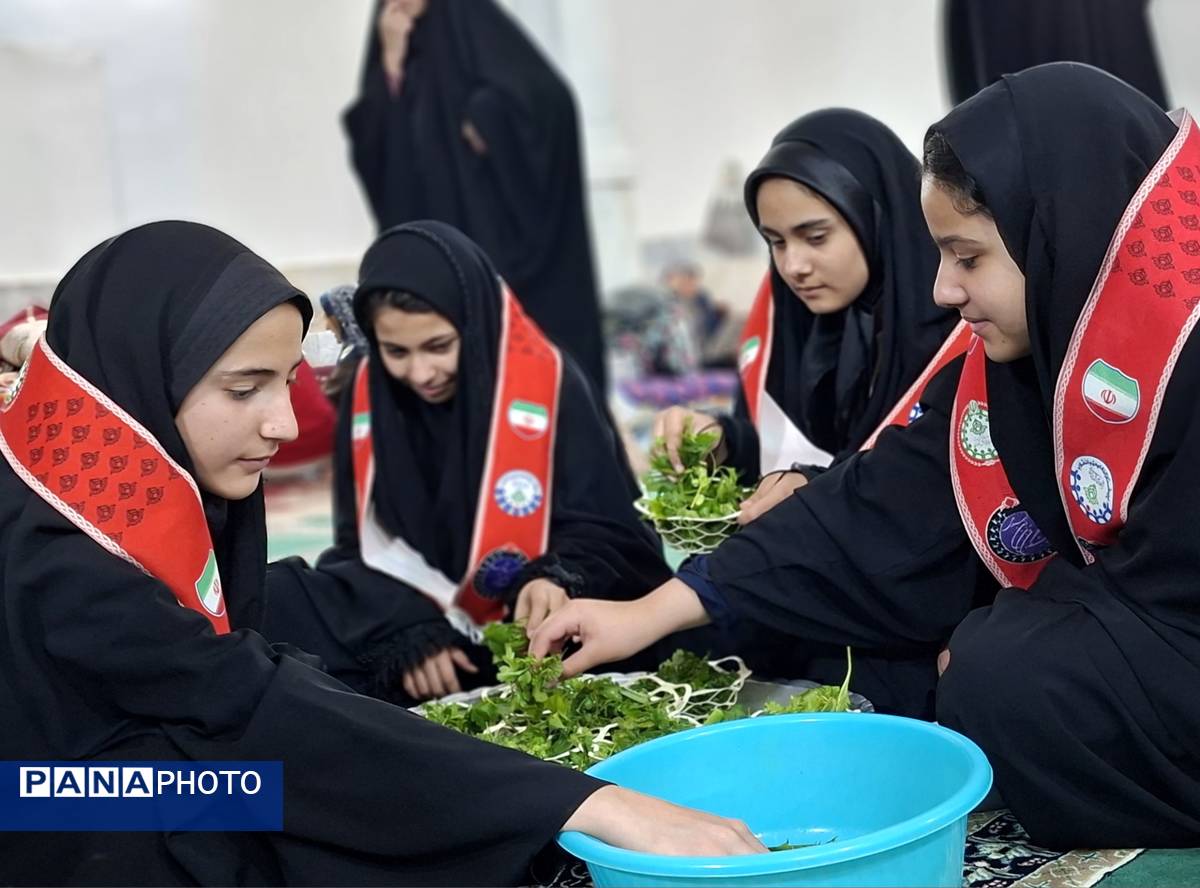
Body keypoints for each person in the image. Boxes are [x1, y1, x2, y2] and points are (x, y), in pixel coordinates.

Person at [531, 63, 1200, 848]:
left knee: (996, 675)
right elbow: (876, 501)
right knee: (923, 672)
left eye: (970, 257)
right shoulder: (1023, 347)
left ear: (1057, 228)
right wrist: (648, 612)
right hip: (1125, 633)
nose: (943, 291)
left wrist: (1024, 627)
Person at [0, 221, 767, 886]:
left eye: (288, 384)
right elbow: (240, 699)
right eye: (244, 390)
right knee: (290, 815)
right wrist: (585, 801)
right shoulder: (61, 557)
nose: (282, 425)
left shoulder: (83, 468)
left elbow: (241, 679)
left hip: (92, 765)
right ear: (142, 374)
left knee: (333, 750)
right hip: (52, 798)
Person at [265, 221, 672, 704]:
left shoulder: (549, 384)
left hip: (538, 627)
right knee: (277, 606)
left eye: (438, 346)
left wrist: (552, 577)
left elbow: (611, 531)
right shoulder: (370, 393)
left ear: (473, 323)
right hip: (425, 626)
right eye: (397, 351)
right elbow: (362, 544)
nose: (420, 373)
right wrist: (411, 633)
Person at [654, 110, 958, 524]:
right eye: (775, 242)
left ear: (874, 218)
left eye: (816, 238)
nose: (794, 266)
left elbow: (935, 486)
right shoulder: (791, 316)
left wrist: (820, 488)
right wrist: (719, 439)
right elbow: (783, 449)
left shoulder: (954, 324)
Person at [342, 0, 607, 392]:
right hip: (435, 245)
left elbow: (550, 101)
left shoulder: (473, 18)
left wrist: (489, 118)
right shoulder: (391, 39)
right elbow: (372, 145)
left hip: (501, 244)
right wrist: (393, 61)